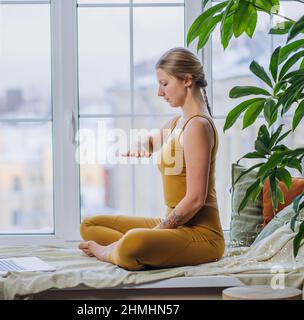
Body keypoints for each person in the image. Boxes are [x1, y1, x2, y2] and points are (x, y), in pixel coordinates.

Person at [78, 47, 224, 271]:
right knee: (91, 224)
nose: (159, 92)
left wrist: (157, 231)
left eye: (164, 84)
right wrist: (142, 145)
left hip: (203, 236)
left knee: (133, 241)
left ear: (187, 80)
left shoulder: (198, 126)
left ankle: (113, 252)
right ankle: (126, 247)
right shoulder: (178, 122)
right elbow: (153, 141)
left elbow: (196, 200)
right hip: (176, 226)